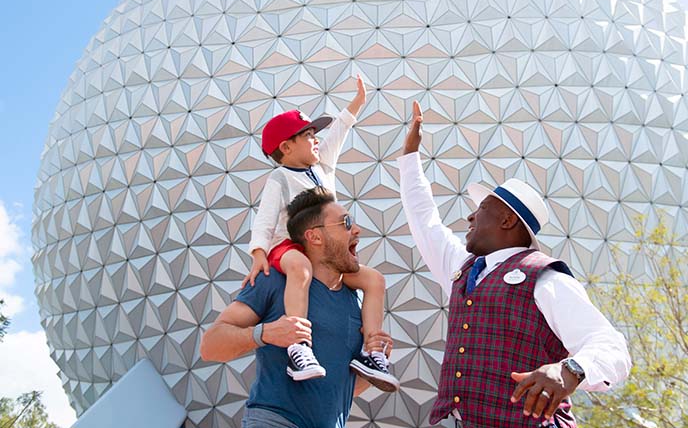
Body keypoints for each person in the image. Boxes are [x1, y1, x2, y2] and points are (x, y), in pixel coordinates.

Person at [397, 101, 631, 427]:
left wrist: (570, 370)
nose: (470, 216)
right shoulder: (462, 270)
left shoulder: (545, 279)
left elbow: (611, 347)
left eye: (481, 209)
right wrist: (409, 158)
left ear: (507, 220)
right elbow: (425, 220)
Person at [241, 75, 398, 391]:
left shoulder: (323, 167)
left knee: (373, 280)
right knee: (300, 268)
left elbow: (340, 130)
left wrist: (358, 102)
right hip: (289, 247)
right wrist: (258, 253)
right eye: (308, 134)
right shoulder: (279, 179)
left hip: (325, 251)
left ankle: (371, 351)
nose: (316, 139)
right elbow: (264, 222)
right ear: (286, 146)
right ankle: (299, 347)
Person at [200, 188, 395, 428]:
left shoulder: (357, 301)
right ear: (314, 237)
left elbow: (345, 388)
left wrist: (374, 362)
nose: (356, 230)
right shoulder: (274, 282)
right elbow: (210, 347)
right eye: (346, 223)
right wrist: (265, 333)